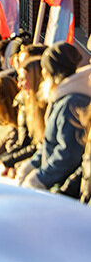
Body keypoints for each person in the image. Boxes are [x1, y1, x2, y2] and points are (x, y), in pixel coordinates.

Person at [17, 42, 91, 190]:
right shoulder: (62, 98)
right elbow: (49, 143)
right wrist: (32, 165)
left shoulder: (72, 102)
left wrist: (41, 178)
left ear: (50, 73)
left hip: (62, 188)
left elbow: (68, 153)